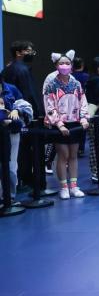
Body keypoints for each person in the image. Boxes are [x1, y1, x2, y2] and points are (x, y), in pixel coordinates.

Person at [43, 51, 90, 200]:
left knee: (73, 156)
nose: (64, 66)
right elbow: (49, 106)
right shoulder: (51, 85)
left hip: (75, 123)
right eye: (61, 63)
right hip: (60, 126)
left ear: (71, 65)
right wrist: (59, 124)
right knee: (63, 155)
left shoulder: (76, 83)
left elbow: (83, 102)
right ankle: (64, 188)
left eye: (67, 63)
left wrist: (83, 118)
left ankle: (74, 186)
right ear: (56, 65)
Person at [3, 40, 43, 191]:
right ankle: (31, 183)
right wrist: (37, 114)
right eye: (28, 50)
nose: (31, 53)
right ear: (18, 53)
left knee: (16, 153)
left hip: (10, 117)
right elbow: (29, 95)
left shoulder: (6, 70)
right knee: (27, 151)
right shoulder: (23, 70)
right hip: (25, 117)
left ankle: (18, 182)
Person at [0, 74, 32, 203]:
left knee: (11, 165)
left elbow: (25, 106)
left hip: (12, 132)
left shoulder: (11, 89)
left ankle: (9, 197)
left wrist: (17, 110)